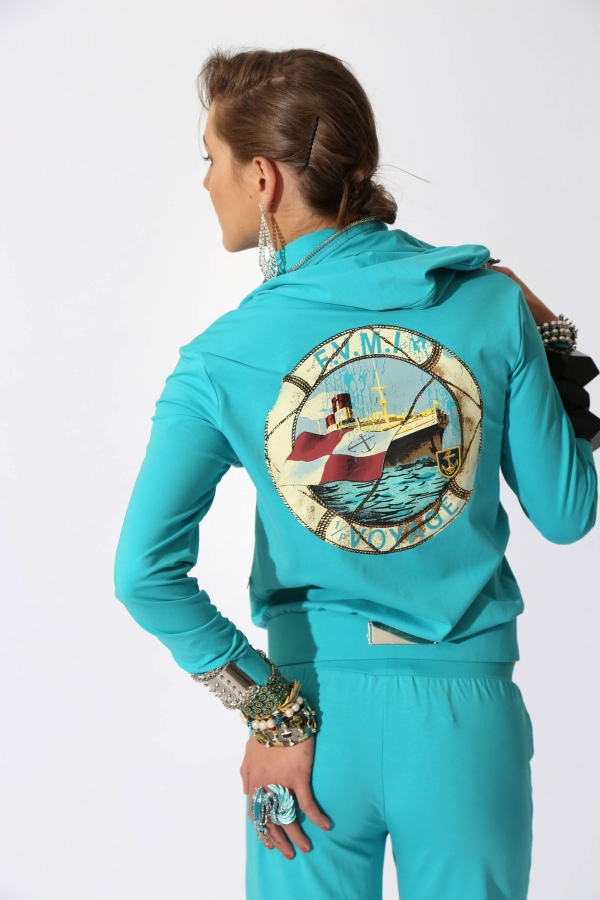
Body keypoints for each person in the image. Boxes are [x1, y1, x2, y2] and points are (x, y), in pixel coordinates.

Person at [113, 47, 600, 900]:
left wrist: (270, 709)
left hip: (307, 729)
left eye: (210, 159)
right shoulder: (487, 301)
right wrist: (548, 333)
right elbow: (567, 513)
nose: (206, 182)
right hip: (467, 723)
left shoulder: (220, 355)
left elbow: (142, 575)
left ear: (262, 177)